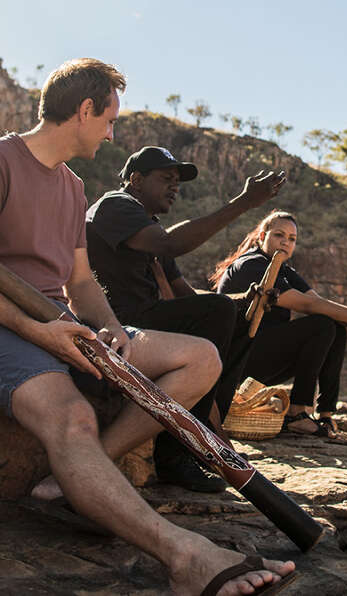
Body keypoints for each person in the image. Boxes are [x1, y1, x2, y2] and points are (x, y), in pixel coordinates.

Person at [0, 58, 294, 596]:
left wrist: (114, 330)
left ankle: (80, 474)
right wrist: (38, 333)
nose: (112, 133)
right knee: (72, 418)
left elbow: (81, 282)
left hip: (62, 321)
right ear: (84, 110)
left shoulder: (72, 188)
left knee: (201, 356)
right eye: (109, 120)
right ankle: (185, 555)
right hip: (4, 325)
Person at [86, 145, 285, 491]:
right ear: (135, 180)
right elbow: (170, 245)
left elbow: (186, 297)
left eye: (177, 181)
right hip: (118, 323)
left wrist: (246, 301)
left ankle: (208, 430)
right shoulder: (115, 206)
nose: (175, 187)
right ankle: (177, 453)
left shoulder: (149, 225)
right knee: (220, 311)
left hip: (149, 319)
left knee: (236, 317)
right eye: (166, 179)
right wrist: (244, 202)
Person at [211, 211, 347, 437]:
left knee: (335, 328)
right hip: (237, 360)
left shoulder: (284, 270)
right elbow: (308, 305)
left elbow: (318, 301)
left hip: (264, 356)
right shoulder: (251, 265)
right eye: (279, 235)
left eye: (292, 239)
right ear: (263, 236)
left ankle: (325, 415)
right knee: (321, 326)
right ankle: (297, 413)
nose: (286, 242)